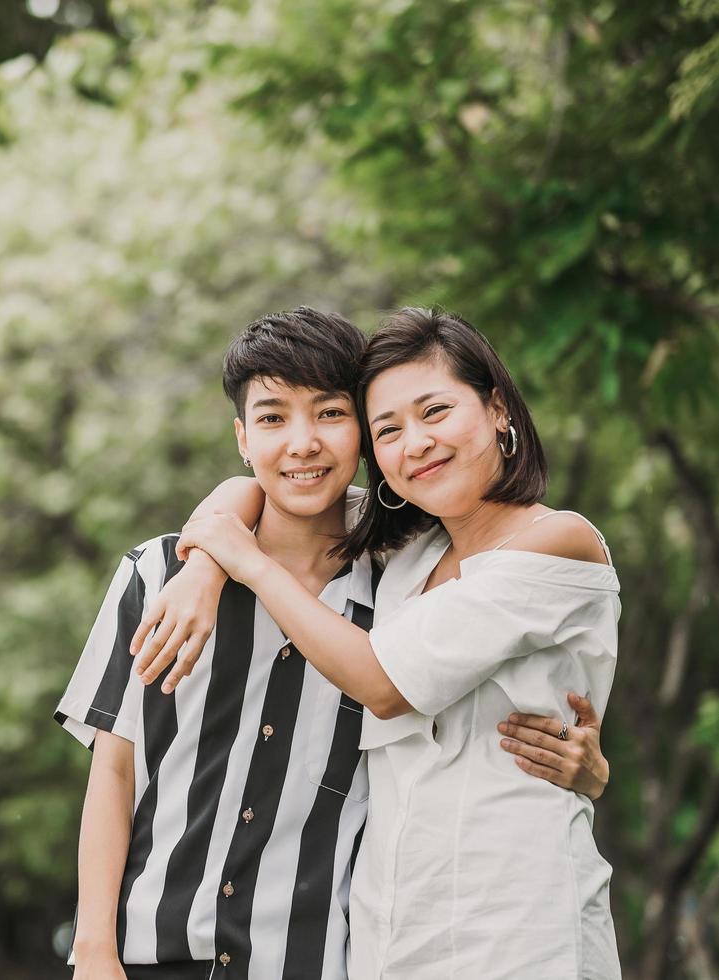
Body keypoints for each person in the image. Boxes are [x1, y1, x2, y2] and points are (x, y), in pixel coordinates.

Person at [56, 308, 606, 980]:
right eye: (271, 419)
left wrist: (588, 773)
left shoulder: (405, 580)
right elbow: (115, 769)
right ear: (241, 436)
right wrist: (93, 951)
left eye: (330, 414)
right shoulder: (167, 574)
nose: (302, 442)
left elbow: (400, 683)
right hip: (195, 954)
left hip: (375, 949)